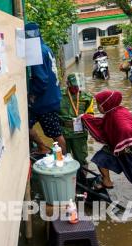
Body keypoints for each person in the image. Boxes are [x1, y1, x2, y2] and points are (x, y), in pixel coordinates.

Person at [81, 90, 132, 207]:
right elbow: (103, 124)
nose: (98, 107)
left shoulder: (118, 115)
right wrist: (85, 118)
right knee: (101, 159)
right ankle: (107, 181)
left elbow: (127, 130)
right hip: (120, 147)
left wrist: (123, 143)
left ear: (106, 104)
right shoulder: (114, 111)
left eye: (99, 104)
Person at [26, 22, 67, 154]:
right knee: (26, 124)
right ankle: (42, 147)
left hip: (45, 102)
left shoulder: (36, 52)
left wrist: (31, 94)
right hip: (51, 98)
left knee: (55, 134)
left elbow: (41, 80)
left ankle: (64, 160)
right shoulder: (45, 48)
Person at [58, 73, 94, 168]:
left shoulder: (87, 97)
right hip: (63, 133)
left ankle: (82, 178)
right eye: (74, 86)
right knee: (62, 159)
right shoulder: (59, 95)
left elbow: (91, 115)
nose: (77, 88)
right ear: (68, 84)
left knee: (81, 158)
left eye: (78, 86)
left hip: (79, 134)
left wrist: (87, 117)